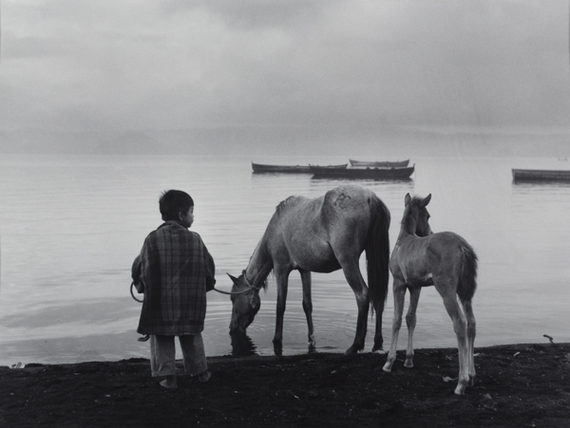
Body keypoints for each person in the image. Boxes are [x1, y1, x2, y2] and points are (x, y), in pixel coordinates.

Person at [136, 189, 215, 389]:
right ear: (182, 215)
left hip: (160, 306)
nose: (193, 216)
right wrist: (206, 286)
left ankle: (168, 377)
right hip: (190, 304)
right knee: (192, 335)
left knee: (161, 336)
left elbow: (140, 268)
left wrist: (141, 286)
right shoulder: (196, 239)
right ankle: (201, 373)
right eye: (192, 212)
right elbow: (208, 269)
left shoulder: (151, 239)